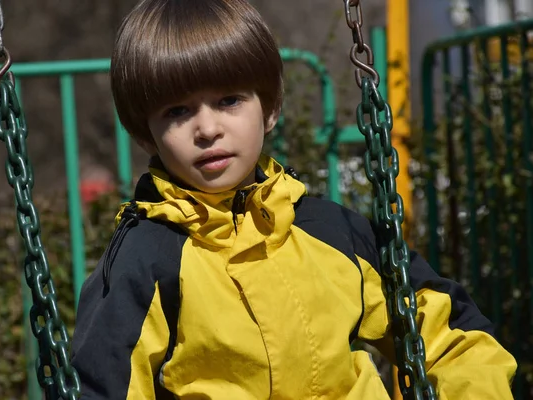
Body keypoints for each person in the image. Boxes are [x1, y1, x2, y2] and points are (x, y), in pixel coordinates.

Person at [70, 0, 517, 398]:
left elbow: (445, 331)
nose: (207, 129)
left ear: (269, 109)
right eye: (177, 111)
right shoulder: (145, 263)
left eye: (229, 100)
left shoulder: (329, 231)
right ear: (145, 132)